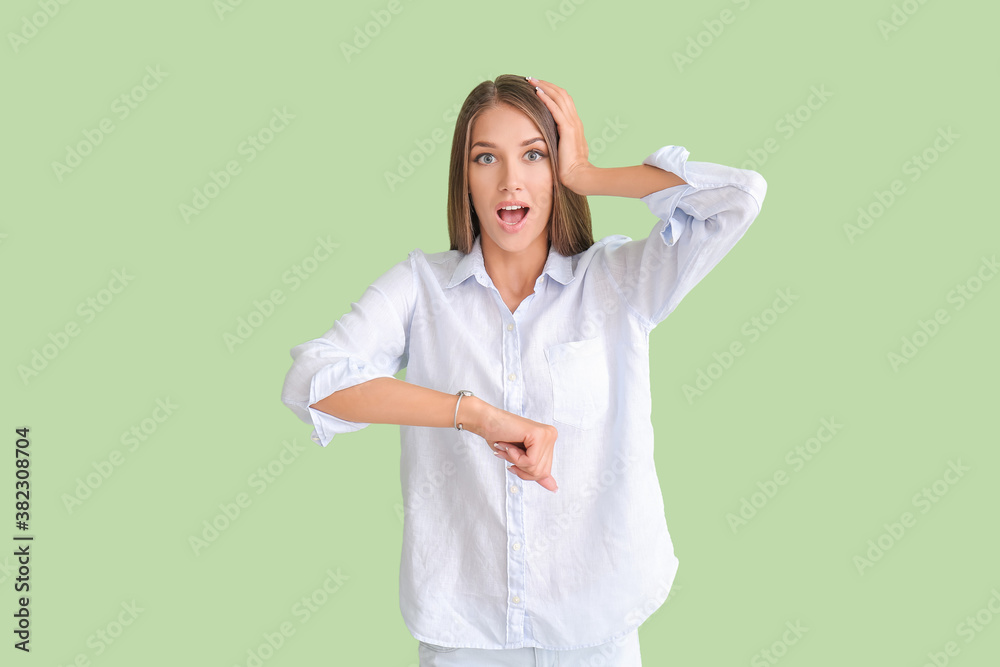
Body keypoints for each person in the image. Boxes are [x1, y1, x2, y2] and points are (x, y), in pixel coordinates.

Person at [280, 74, 767, 666]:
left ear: (555, 169)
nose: (511, 180)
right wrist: (471, 414)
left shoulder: (616, 282)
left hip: (596, 627)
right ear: (465, 177)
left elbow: (738, 198)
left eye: (534, 155)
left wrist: (589, 175)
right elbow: (314, 382)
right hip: (465, 634)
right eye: (487, 158)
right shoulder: (420, 288)